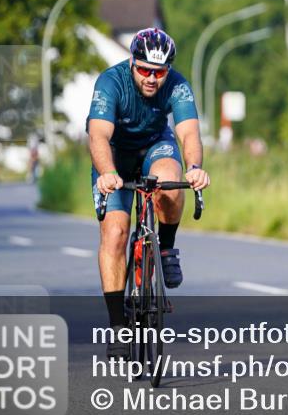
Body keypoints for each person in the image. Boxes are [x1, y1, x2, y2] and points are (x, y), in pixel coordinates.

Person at [86, 27, 211, 358]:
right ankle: (116, 326)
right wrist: (108, 173)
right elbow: (98, 135)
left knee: (170, 182)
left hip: (155, 146)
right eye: (145, 70)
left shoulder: (178, 84)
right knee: (115, 234)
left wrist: (195, 166)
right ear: (132, 63)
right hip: (114, 156)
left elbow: (188, 133)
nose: (152, 78)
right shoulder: (111, 82)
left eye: (160, 72)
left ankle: (166, 249)